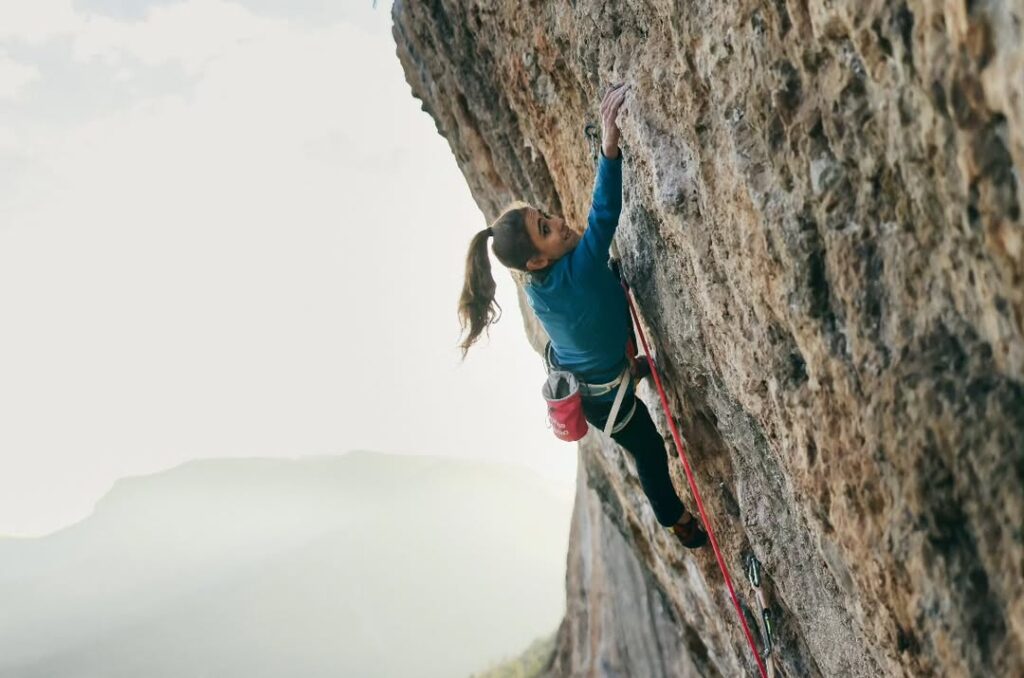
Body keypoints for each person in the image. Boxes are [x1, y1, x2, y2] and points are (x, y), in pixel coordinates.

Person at [457, 84, 707, 550]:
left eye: (545, 215)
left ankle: (632, 370)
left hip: (593, 370)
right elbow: (604, 216)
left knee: (612, 323)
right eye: (546, 229)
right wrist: (609, 146)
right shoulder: (579, 267)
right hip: (604, 399)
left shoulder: (539, 287)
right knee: (649, 449)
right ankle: (675, 520)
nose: (558, 222)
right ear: (536, 261)